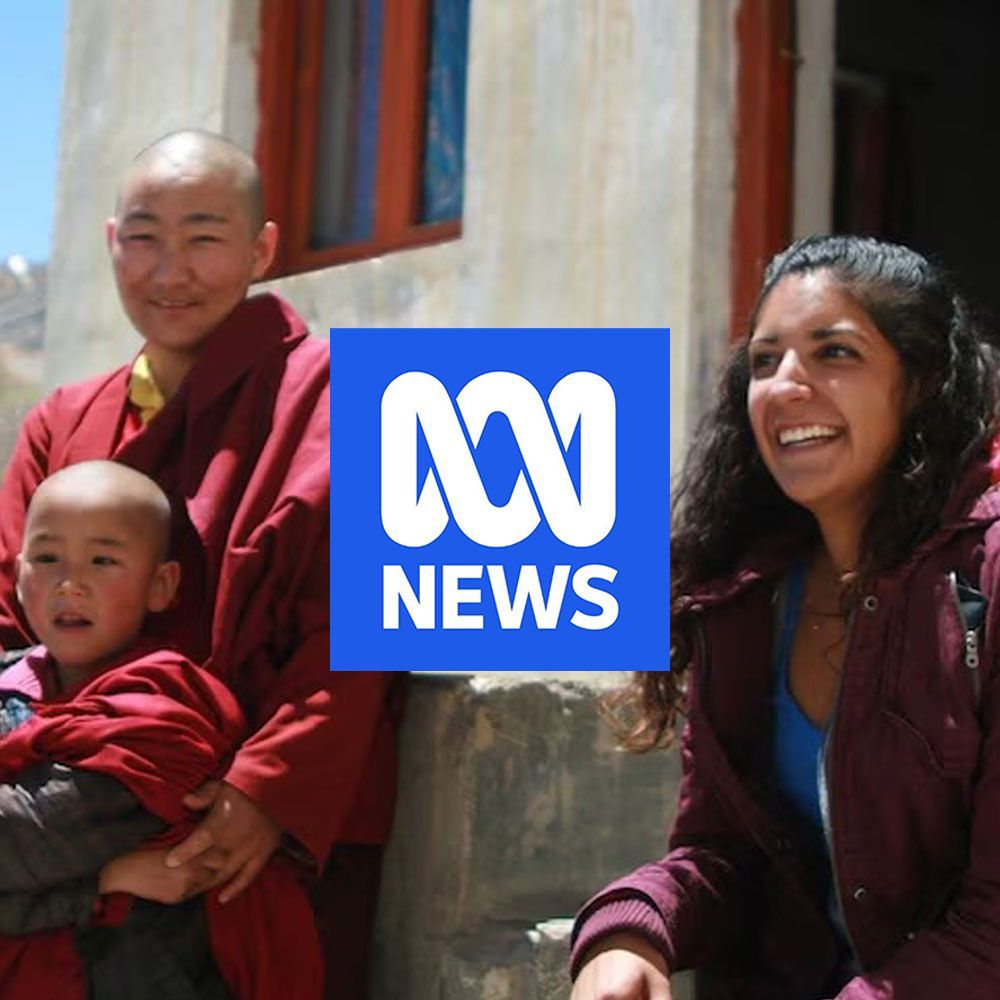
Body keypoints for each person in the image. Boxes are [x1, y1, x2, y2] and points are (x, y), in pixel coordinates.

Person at [0, 129, 398, 997]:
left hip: (247, 847)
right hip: (61, 817)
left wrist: (268, 790)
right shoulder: (61, 423)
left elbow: (361, 622)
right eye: (144, 237)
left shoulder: (345, 399)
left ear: (261, 248)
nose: (169, 270)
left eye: (204, 237)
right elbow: (7, 616)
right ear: (112, 244)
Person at [570, 234, 1000, 999]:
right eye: (765, 362)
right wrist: (635, 930)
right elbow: (726, 854)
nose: (785, 386)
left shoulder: (986, 576)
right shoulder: (743, 598)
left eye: (834, 353)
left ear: (924, 379)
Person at [0, 459, 322, 998]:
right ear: (19, 571)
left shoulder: (163, 716)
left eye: (103, 560)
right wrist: (103, 882)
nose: (70, 583)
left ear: (161, 584)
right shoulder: (12, 676)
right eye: (49, 557)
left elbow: (20, 843)